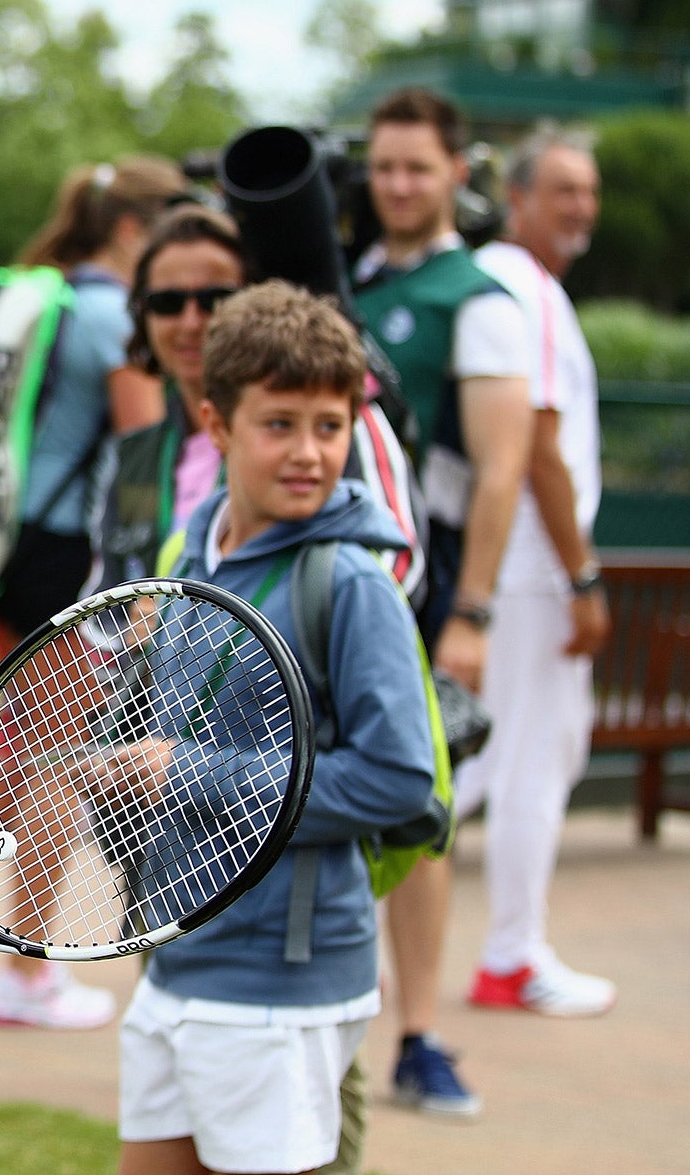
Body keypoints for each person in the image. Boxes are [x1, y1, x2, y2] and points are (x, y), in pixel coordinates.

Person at [115, 281, 436, 1175]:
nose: (309, 454)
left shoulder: (353, 583)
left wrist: (185, 774)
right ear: (216, 425)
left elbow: (395, 779)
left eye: (329, 427)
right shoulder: (196, 552)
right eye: (280, 424)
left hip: (278, 989)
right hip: (178, 963)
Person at [0, 155, 185, 1033]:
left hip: (1, 553)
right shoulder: (114, 318)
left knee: (19, 754)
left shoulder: (51, 297)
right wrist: (141, 588)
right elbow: (144, 461)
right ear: (134, 229)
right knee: (54, 760)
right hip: (65, 564)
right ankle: (27, 974)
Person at [351, 86, 532, 1119]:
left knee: (415, 810)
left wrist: (469, 614)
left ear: (456, 173)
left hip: (425, 595)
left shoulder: (479, 301)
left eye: (417, 167)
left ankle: (417, 1033)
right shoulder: (358, 282)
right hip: (342, 585)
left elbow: (500, 471)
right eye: (384, 167)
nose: (398, 186)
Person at [458, 128, 616, 1016]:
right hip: (529, 571)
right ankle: (514, 954)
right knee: (531, 762)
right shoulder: (527, 290)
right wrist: (582, 576)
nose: (580, 207)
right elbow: (544, 449)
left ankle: (509, 949)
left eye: (587, 191)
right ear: (516, 197)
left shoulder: (513, 284)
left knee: (492, 763)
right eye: (563, 189)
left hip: (519, 567)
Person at [92, 204, 250, 592]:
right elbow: (101, 599)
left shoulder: (308, 430)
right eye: (167, 302)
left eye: (215, 299)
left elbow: (390, 566)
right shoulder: (130, 457)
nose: (191, 322)